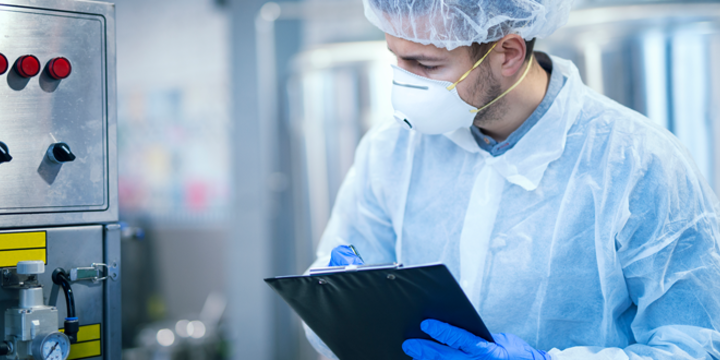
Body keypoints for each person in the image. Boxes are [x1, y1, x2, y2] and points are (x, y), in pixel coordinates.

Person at [304, 0, 720, 359]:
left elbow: (696, 345)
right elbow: (339, 324)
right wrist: (334, 302)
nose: (403, 81)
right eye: (396, 57)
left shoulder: (637, 162)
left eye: (425, 64)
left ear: (507, 53)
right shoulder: (392, 149)